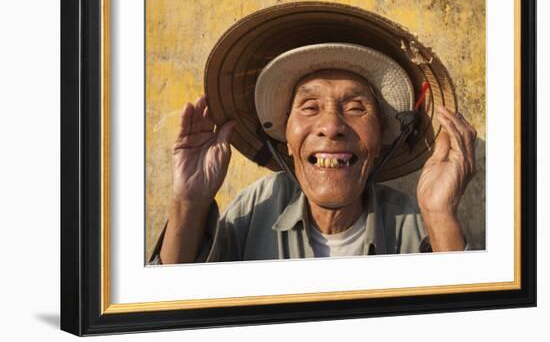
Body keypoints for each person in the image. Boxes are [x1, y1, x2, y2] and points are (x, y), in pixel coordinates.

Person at [150, 43, 476, 264]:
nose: (331, 126)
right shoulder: (255, 208)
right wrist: (189, 203)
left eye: (355, 107)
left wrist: (439, 213)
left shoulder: (413, 224)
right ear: (288, 142)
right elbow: (169, 312)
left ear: (380, 141)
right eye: (309, 107)